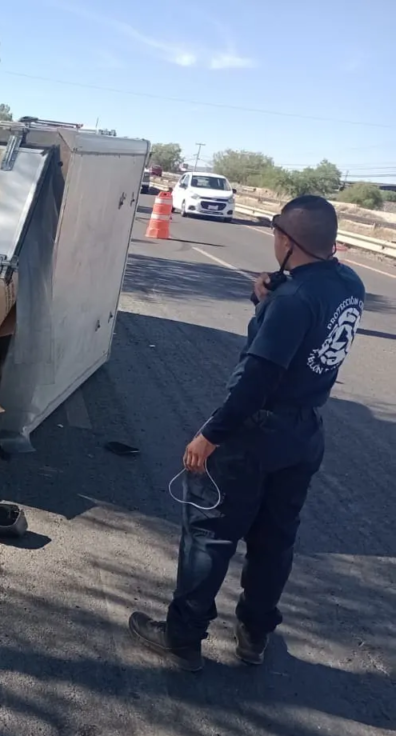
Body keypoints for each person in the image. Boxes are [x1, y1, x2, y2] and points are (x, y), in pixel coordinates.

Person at [129, 195, 365, 672]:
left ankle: (183, 635)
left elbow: (255, 381)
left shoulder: (292, 300)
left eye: (277, 231)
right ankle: (255, 633)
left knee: (209, 534)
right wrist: (266, 299)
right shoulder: (348, 284)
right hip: (303, 434)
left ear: (286, 240)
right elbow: (307, 321)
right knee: (275, 539)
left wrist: (209, 436)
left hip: (256, 433)